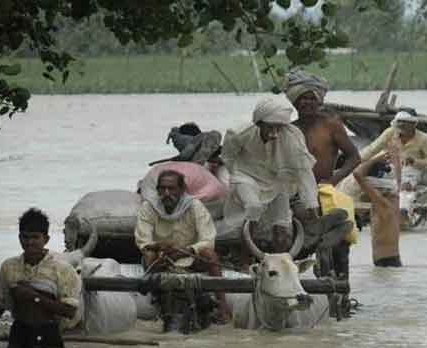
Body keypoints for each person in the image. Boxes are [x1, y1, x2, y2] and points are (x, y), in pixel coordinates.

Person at [0, 208, 82, 348]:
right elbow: (0, 303)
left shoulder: (62, 269)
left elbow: (69, 312)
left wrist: (34, 297)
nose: (29, 242)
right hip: (19, 333)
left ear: (46, 239)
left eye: (35, 237)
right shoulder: (9, 266)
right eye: (25, 237)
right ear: (19, 238)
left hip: (49, 333)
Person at [220, 98, 319, 266]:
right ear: (259, 123)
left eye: (278, 127)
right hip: (246, 176)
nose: (275, 133)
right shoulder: (238, 133)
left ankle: (282, 265)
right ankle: (245, 262)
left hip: (277, 180)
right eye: (270, 127)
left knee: (282, 224)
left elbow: (303, 170)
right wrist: (236, 177)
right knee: (253, 207)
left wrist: (311, 204)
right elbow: (228, 157)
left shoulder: (292, 136)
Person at [285, 70, 360, 279]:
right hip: (298, 197)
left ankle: (342, 291)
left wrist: (334, 179)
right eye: (302, 99)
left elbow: (354, 157)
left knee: (341, 243)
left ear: (319, 101)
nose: (307, 103)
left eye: (311, 98)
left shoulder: (331, 125)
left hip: (326, 192)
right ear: (294, 102)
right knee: (302, 244)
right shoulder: (289, 130)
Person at [134, 169, 229, 331]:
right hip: (161, 258)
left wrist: (188, 250)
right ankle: (156, 299)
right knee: (148, 254)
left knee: (210, 255)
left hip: (191, 256)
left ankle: (223, 307)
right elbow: (143, 240)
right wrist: (158, 247)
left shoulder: (194, 206)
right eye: (162, 189)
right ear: (157, 191)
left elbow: (208, 239)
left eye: (171, 189)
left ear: (182, 190)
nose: (167, 193)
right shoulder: (149, 208)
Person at [353, 153, 402, 267]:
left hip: (386, 262)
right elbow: (398, 177)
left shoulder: (383, 203)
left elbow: (357, 175)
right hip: (390, 260)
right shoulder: (394, 198)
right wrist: (396, 157)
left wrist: (374, 159)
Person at [359, 111, 427, 183]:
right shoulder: (390, 132)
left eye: (405, 122)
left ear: (413, 124)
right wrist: (357, 160)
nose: (401, 124)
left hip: (410, 171)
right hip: (390, 167)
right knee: (365, 169)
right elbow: (372, 149)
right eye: (399, 121)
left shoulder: (424, 139)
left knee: (406, 182)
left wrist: (413, 161)